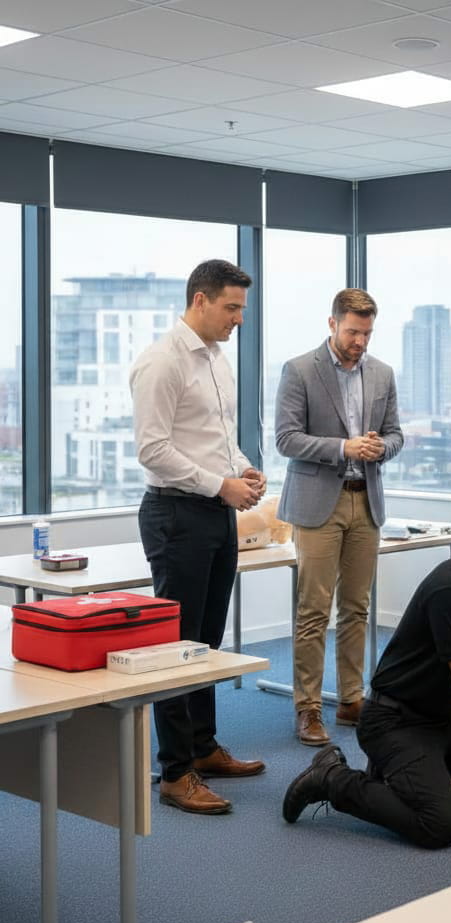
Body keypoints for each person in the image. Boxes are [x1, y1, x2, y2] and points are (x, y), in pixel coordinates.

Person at [282, 504, 451, 849]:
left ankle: (392, 776)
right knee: (439, 825)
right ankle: (332, 778)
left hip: (439, 720)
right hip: (393, 721)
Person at [131, 259, 267, 815]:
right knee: (177, 643)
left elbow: (217, 438)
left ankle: (203, 748)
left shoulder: (216, 358)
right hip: (176, 514)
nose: (239, 319)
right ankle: (174, 772)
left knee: (207, 642)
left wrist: (242, 468)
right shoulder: (162, 361)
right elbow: (153, 449)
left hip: (215, 511)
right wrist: (220, 484)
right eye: (232, 308)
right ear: (200, 300)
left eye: (242, 309)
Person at [276, 288, 403, 746]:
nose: (360, 342)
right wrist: (343, 448)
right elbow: (286, 439)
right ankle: (308, 707)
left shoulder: (382, 373)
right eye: (352, 332)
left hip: (365, 500)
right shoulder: (299, 370)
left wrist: (381, 447)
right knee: (313, 610)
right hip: (318, 504)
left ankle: (351, 699)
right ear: (332, 324)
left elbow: (396, 434)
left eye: (367, 333)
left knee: (357, 607)